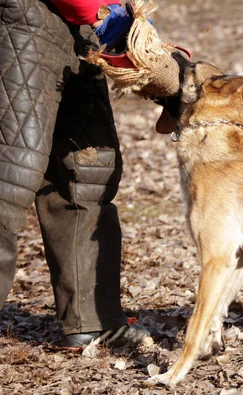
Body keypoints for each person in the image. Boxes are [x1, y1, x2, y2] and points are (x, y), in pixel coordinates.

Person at [0, 0, 149, 347]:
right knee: (10, 175)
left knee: (89, 173)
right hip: (21, 20)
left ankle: (92, 321)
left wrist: (131, 26)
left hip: (83, 37)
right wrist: (98, 10)